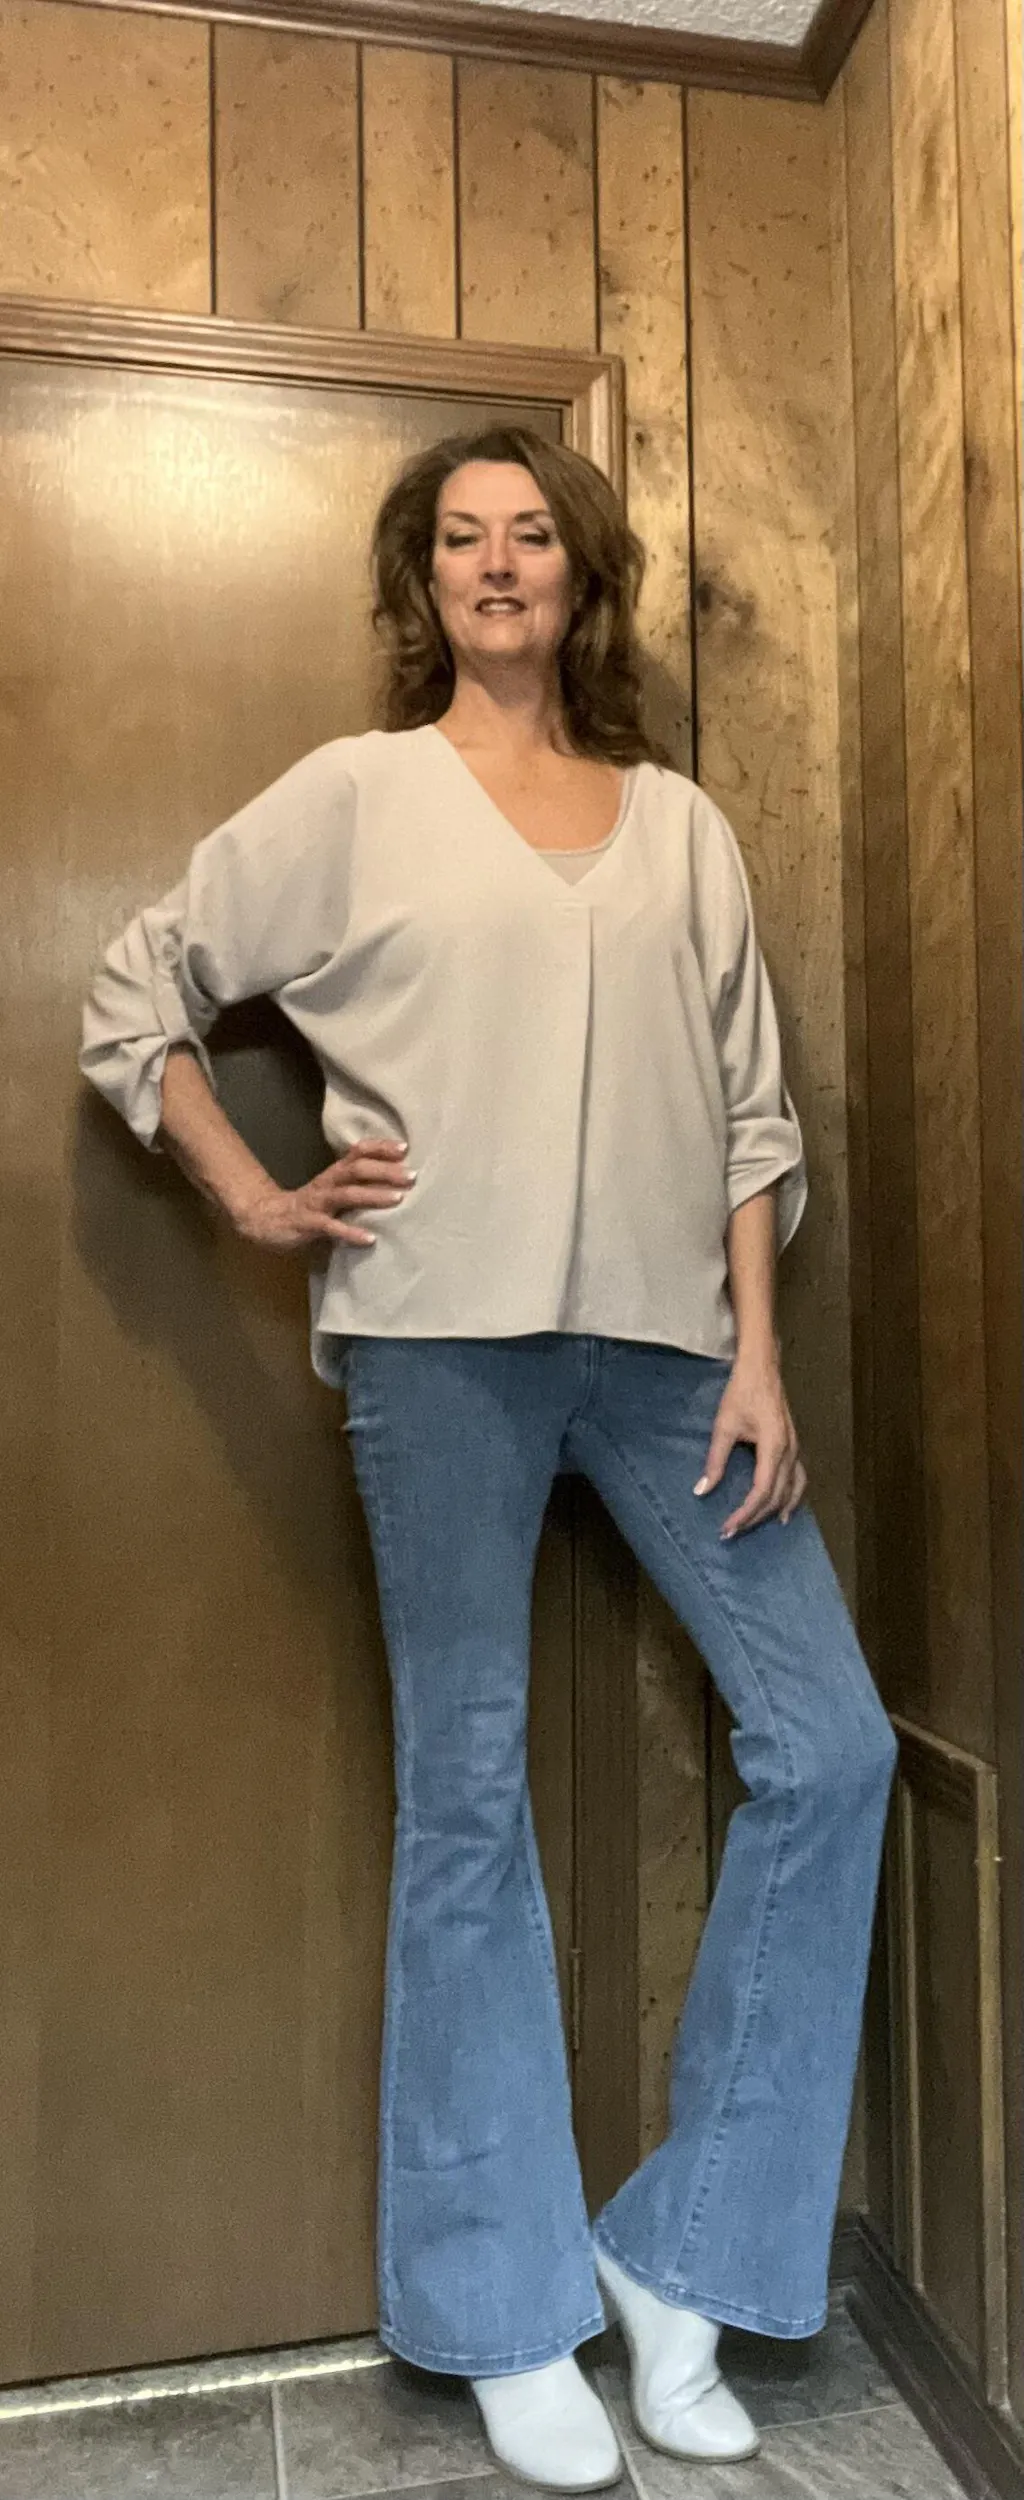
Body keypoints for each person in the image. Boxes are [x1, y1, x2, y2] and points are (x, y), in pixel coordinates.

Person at [79, 424, 898, 2495]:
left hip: (673, 1356)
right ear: (422, 580)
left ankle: (678, 2258)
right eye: (461, 538)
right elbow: (137, 985)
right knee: (467, 1795)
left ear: (579, 574)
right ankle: (501, 2307)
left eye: (532, 533)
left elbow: (748, 1116)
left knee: (833, 1745)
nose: (498, 562)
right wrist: (255, 1194)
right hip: (435, 1346)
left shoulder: (682, 826)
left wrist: (760, 1356)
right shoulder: (357, 798)